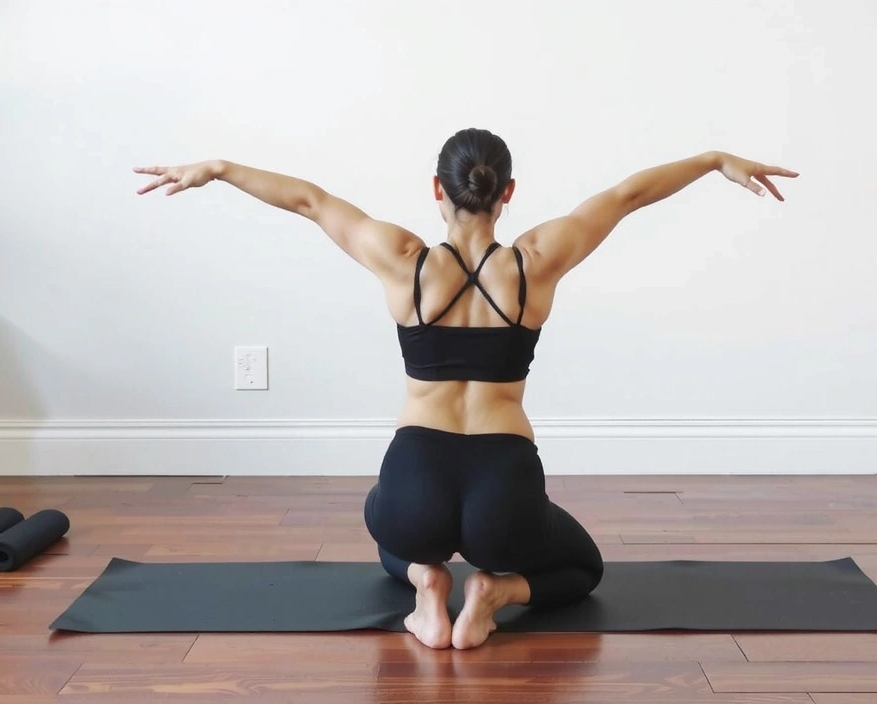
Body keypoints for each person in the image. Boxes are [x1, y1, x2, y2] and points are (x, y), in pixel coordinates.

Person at [135, 128, 797, 649]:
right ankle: (492, 596)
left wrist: (217, 168)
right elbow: (625, 197)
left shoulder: (402, 258)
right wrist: (714, 159)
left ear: (436, 190)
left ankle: (427, 586)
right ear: (508, 192)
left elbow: (309, 201)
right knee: (583, 567)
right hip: (502, 491)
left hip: (414, 484)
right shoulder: (536, 262)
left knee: (384, 516)